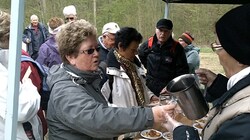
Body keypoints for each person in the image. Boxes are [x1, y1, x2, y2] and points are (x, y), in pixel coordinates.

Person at [46, 19, 176, 140]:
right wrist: (150, 115)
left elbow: (105, 108)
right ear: (70, 57)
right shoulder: (64, 91)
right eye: (89, 51)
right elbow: (98, 119)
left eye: (97, 48)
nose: (97, 54)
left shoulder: (87, 78)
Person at [162, 4, 250, 140]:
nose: (218, 56)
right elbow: (238, 98)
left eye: (218, 46)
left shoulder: (245, 120)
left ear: (240, 54)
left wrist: (181, 132)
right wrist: (217, 84)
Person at [0, 10, 45, 140]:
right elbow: (22, 108)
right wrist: (28, 85)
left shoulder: (18, 61)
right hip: (18, 132)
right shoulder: (21, 65)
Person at [138, 18, 189, 96]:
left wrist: (173, 86)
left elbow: (182, 71)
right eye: (160, 30)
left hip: (168, 89)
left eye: (166, 31)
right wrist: (150, 67)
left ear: (171, 32)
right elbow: (141, 55)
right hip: (150, 86)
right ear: (156, 30)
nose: (163, 34)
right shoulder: (148, 44)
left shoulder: (176, 48)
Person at [97, 22, 120, 86]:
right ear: (104, 37)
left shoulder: (118, 49)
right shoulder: (95, 51)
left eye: (117, 39)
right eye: (112, 39)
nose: (115, 42)